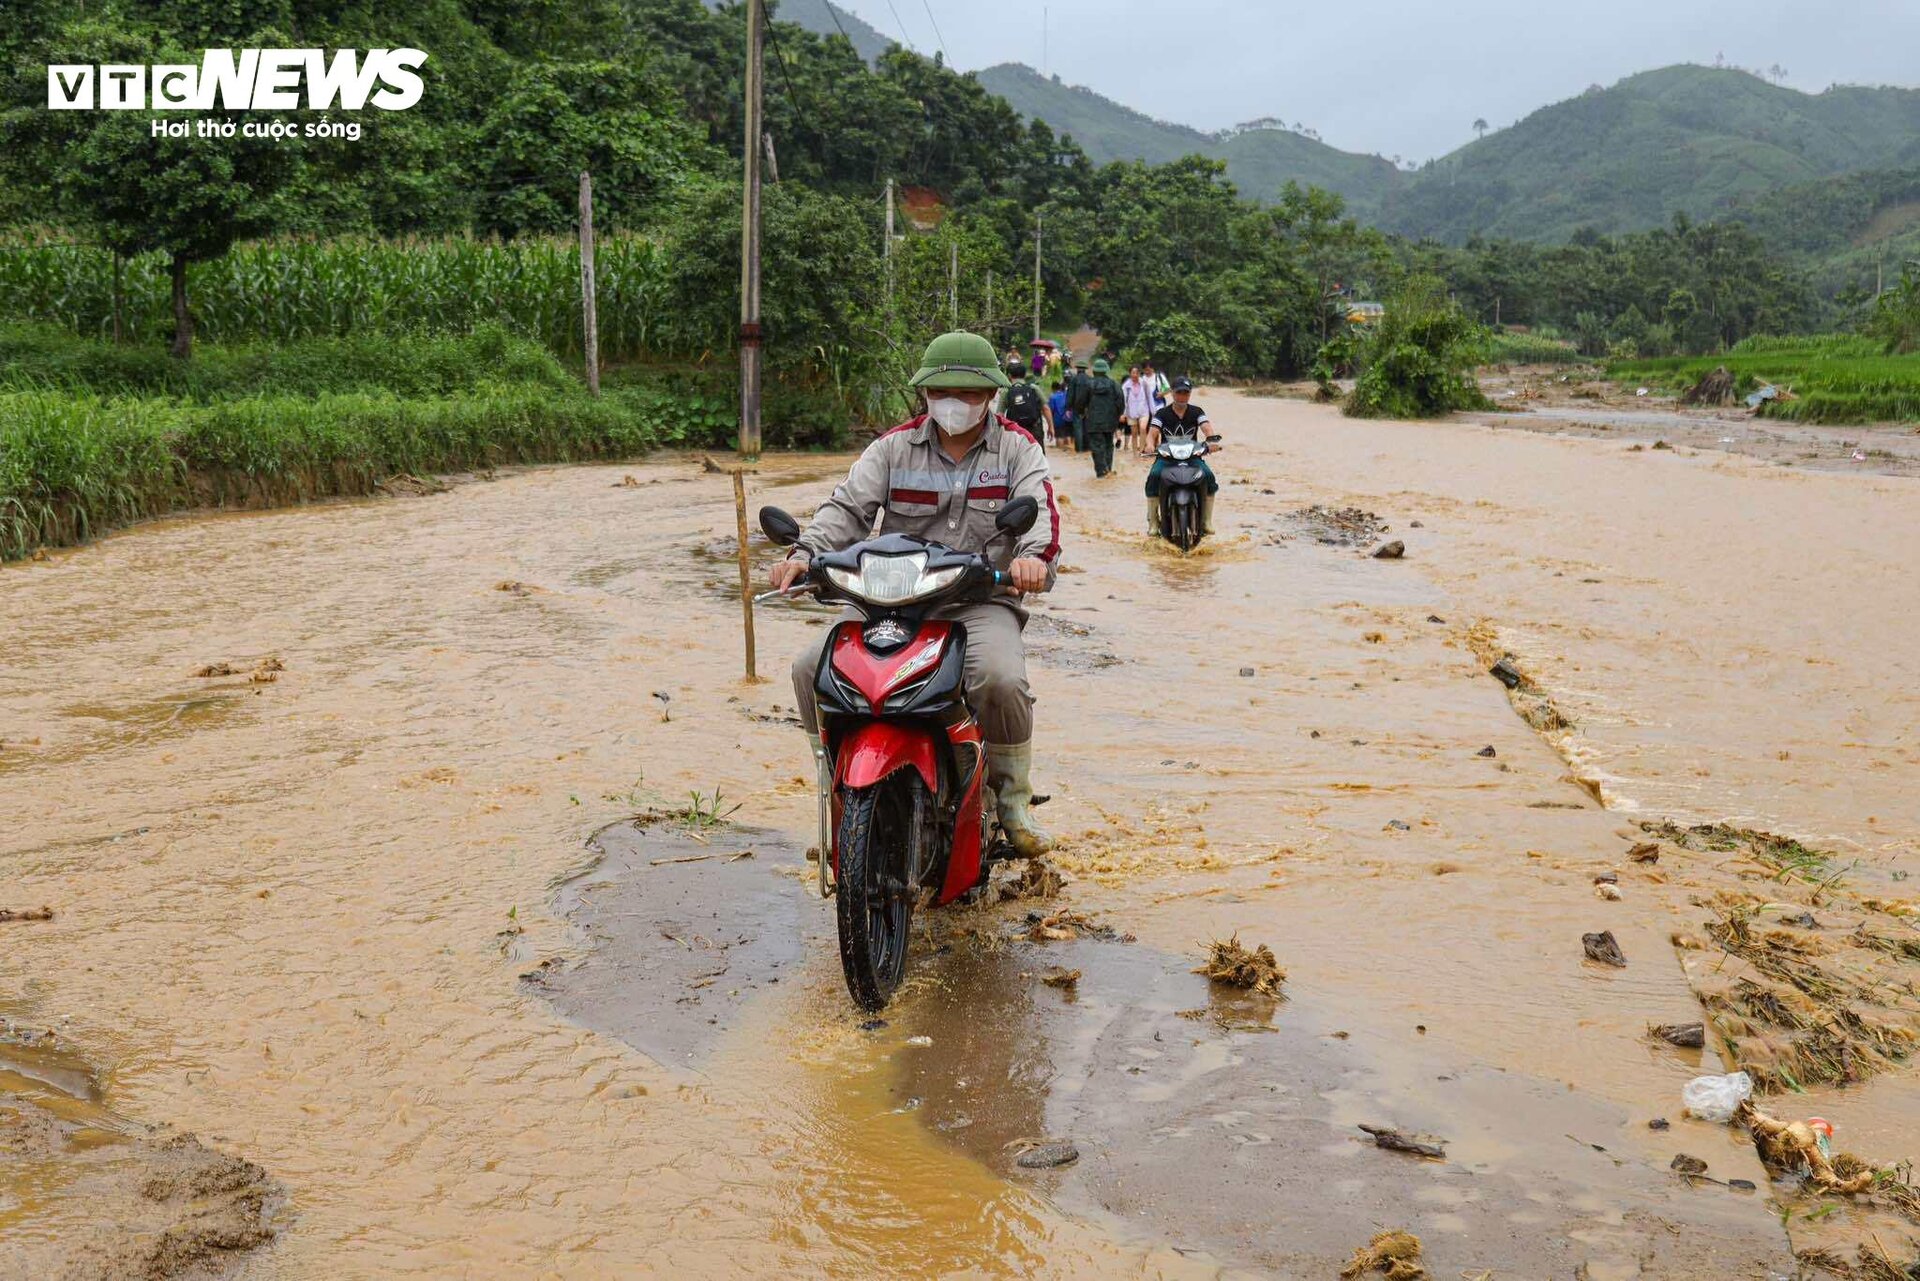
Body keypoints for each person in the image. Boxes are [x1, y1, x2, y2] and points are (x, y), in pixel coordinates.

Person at [770, 331, 1061, 856]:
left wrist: (1033, 561)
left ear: (991, 395)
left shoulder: (1018, 448)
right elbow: (844, 511)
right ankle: (835, 801)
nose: (956, 402)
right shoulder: (891, 448)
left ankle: (1012, 803)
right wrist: (803, 555)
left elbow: (1039, 517)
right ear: (925, 393)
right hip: (886, 603)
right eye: (944, 390)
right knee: (808, 667)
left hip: (977, 601)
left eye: (969, 393)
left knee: (1000, 679)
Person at [1144, 376, 1224, 534]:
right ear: (1172, 393)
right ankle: (1153, 522)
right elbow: (1152, 432)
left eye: (1186, 393)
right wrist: (1149, 444)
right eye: (1179, 392)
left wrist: (1211, 442)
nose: (1182, 396)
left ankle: (1207, 521)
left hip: (1192, 457)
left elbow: (1206, 427)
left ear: (1189, 394)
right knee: (1154, 476)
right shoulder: (1162, 413)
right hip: (1167, 458)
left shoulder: (1197, 412)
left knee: (1208, 476)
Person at [1076, 358, 1125, 478]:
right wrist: (1118, 415)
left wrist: (1081, 412)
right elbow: (1120, 403)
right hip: (1110, 421)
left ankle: (1101, 471)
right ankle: (1108, 469)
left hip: (1093, 421)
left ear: (1094, 371)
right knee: (1109, 444)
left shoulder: (1088, 385)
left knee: (1097, 446)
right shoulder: (1114, 385)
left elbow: (1080, 402)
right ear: (1106, 371)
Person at [1000, 363, 1050, 452]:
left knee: (1016, 459)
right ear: (1025, 375)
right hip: (1035, 429)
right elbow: (1046, 408)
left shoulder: (1006, 391)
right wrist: (1051, 427)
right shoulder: (1034, 388)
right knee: (1038, 458)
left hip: (1014, 431)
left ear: (1009, 375)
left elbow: (999, 415)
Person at [1121, 364, 1154, 456]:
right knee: (1134, 433)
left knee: (1143, 428)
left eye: (1137, 373)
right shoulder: (1126, 386)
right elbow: (1124, 400)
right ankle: (1135, 452)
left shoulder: (1144, 384)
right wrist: (1123, 413)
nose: (1135, 375)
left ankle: (1142, 450)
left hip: (1144, 410)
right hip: (1131, 412)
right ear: (1130, 374)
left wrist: (1153, 411)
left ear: (1139, 373)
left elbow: (1150, 398)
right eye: (1133, 373)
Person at [1046, 379, 1070, 450]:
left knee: (1059, 437)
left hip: (1057, 420)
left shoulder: (1052, 397)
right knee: (1067, 435)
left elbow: (1051, 410)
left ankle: (1060, 450)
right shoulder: (1065, 395)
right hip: (1068, 419)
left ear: (1052, 388)